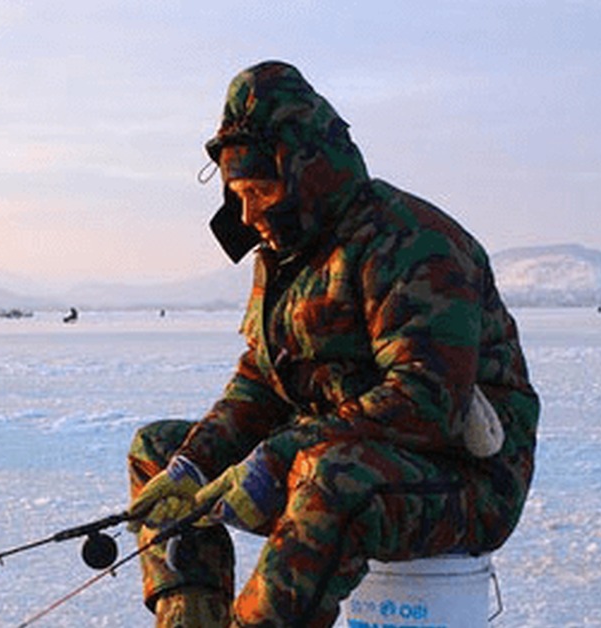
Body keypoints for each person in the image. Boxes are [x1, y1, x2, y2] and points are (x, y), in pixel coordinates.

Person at [126, 61, 539, 627]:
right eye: (237, 193)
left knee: (330, 478)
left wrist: (279, 454)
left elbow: (427, 402)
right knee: (159, 451)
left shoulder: (412, 243)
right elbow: (261, 380)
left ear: (307, 175)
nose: (248, 214)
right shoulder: (286, 252)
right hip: (332, 456)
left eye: (261, 190)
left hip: (463, 479)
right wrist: (192, 466)